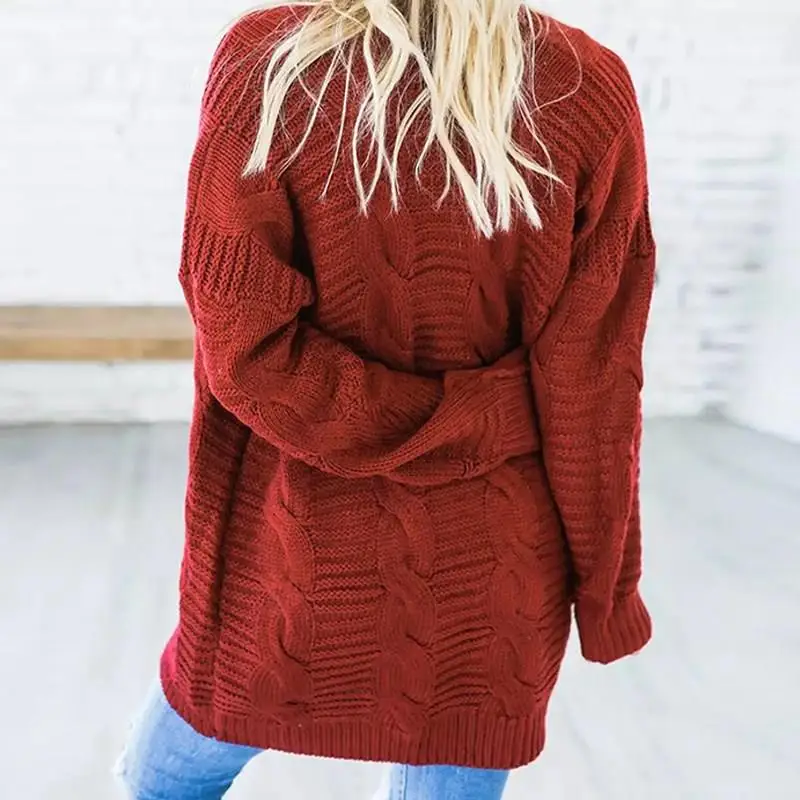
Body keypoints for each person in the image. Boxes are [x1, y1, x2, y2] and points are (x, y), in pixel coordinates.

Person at [116, 0, 656, 797]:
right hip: (493, 580)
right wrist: (607, 594)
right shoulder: (588, 88)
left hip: (291, 563)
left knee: (160, 781)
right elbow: (595, 390)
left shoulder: (270, 61)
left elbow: (244, 348)